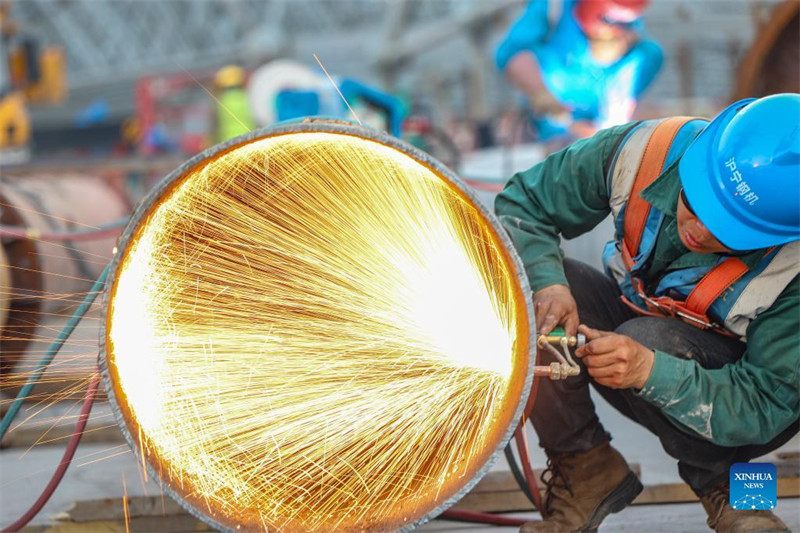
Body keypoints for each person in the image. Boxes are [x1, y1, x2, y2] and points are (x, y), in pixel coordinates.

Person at [495, 93, 800, 532]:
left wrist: (651, 371)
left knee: (651, 340)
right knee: (524, 293)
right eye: (697, 203)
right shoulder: (644, 152)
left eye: (724, 229)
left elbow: (768, 402)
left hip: (742, 397)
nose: (696, 229)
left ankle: (744, 494)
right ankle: (587, 470)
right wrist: (548, 283)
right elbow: (524, 203)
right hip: (636, 324)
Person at [496, 0, 662, 142]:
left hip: (600, 130)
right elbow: (512, 53)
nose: (615, 31)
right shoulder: (555, 7)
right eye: (608, 22)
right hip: (547, 132)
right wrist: (543, 96)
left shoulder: (639, 51)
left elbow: (628, 85)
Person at [214, 64, 256, 144]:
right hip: (249, 137)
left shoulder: (221, 100)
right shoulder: (246, 97)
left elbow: (216, 126)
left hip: (229, 142)